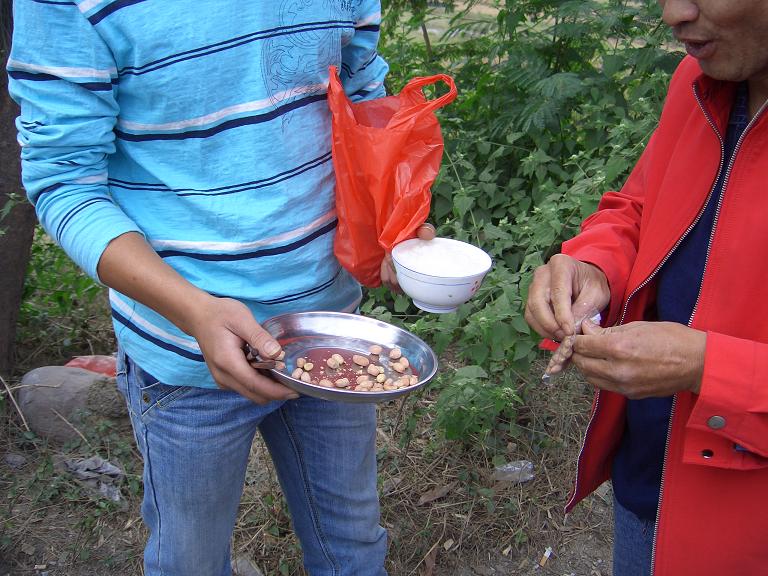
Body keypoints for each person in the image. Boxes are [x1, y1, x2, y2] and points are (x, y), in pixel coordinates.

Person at [7, 2, 433, 575]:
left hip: (329, 330)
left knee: (353, 545)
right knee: (191, 560)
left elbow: (362, 101)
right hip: (184, 355)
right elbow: (65, 182)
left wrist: (393, 219)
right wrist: (194, 312)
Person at [524, 1, 768, 575]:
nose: (673, 13)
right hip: (647, 485)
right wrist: (594, 265)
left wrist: (708, 367)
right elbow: (639, 204)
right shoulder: (700, 81)